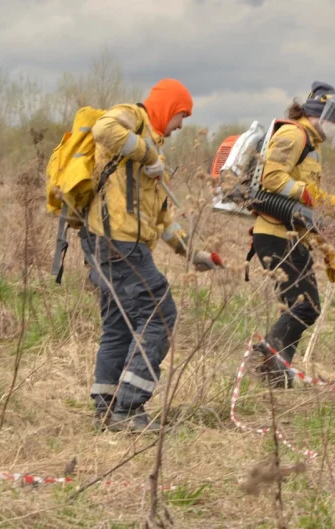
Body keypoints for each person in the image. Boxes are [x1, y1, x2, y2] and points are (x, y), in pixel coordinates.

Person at [85, 78, 225, 432]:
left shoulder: (153, 152)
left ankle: (107, 407)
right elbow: (102, 129)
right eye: (182, 116)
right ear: (168, 108)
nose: (181, 126)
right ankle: (129, 408)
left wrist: (192, 253)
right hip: (118, 241)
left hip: (112, 243)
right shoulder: (132, 117)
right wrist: (147, 152)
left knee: (119, 324)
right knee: (160, 314)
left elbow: (161, 218)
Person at [250, 81, 335, 389]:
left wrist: (327, 250)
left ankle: (276, 373)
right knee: (305, 305)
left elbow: (302, 211)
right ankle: (267, 357)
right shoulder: (293, 134)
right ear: (320, 113)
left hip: (291, 235)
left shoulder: (311, 145)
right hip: (275, 235)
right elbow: (271, 178)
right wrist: (309, 193)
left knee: (299, 305)